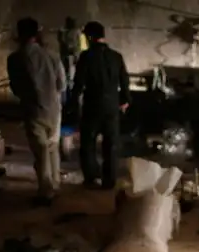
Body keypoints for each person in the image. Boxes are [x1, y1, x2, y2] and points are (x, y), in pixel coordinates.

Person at [7, 17, 65, 206]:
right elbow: (62, 85)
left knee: (41, 152)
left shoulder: (15, 59)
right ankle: (55, 184)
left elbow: (16, 89)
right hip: (54, 110)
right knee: (53, 148)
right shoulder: (53, 55)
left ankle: (46, 192)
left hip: (33, 109)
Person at [72, 21, 130, 190]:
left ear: (90, 37)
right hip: (112, 106)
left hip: (92, 105)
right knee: (111, 144)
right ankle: (109, 181)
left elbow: (78, 83)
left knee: (88, 142)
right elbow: (124, 81)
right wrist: (125, 100)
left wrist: (73, 102)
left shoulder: (86, 57)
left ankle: (91, 177)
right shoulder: (116, 56)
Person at [57, 17, 81, 101]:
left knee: (70, 77)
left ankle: (71, 96)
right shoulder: (68, 32)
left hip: (71, 56)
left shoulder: (74, 32)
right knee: (67, 77)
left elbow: (75, 45)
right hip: (68, 56)